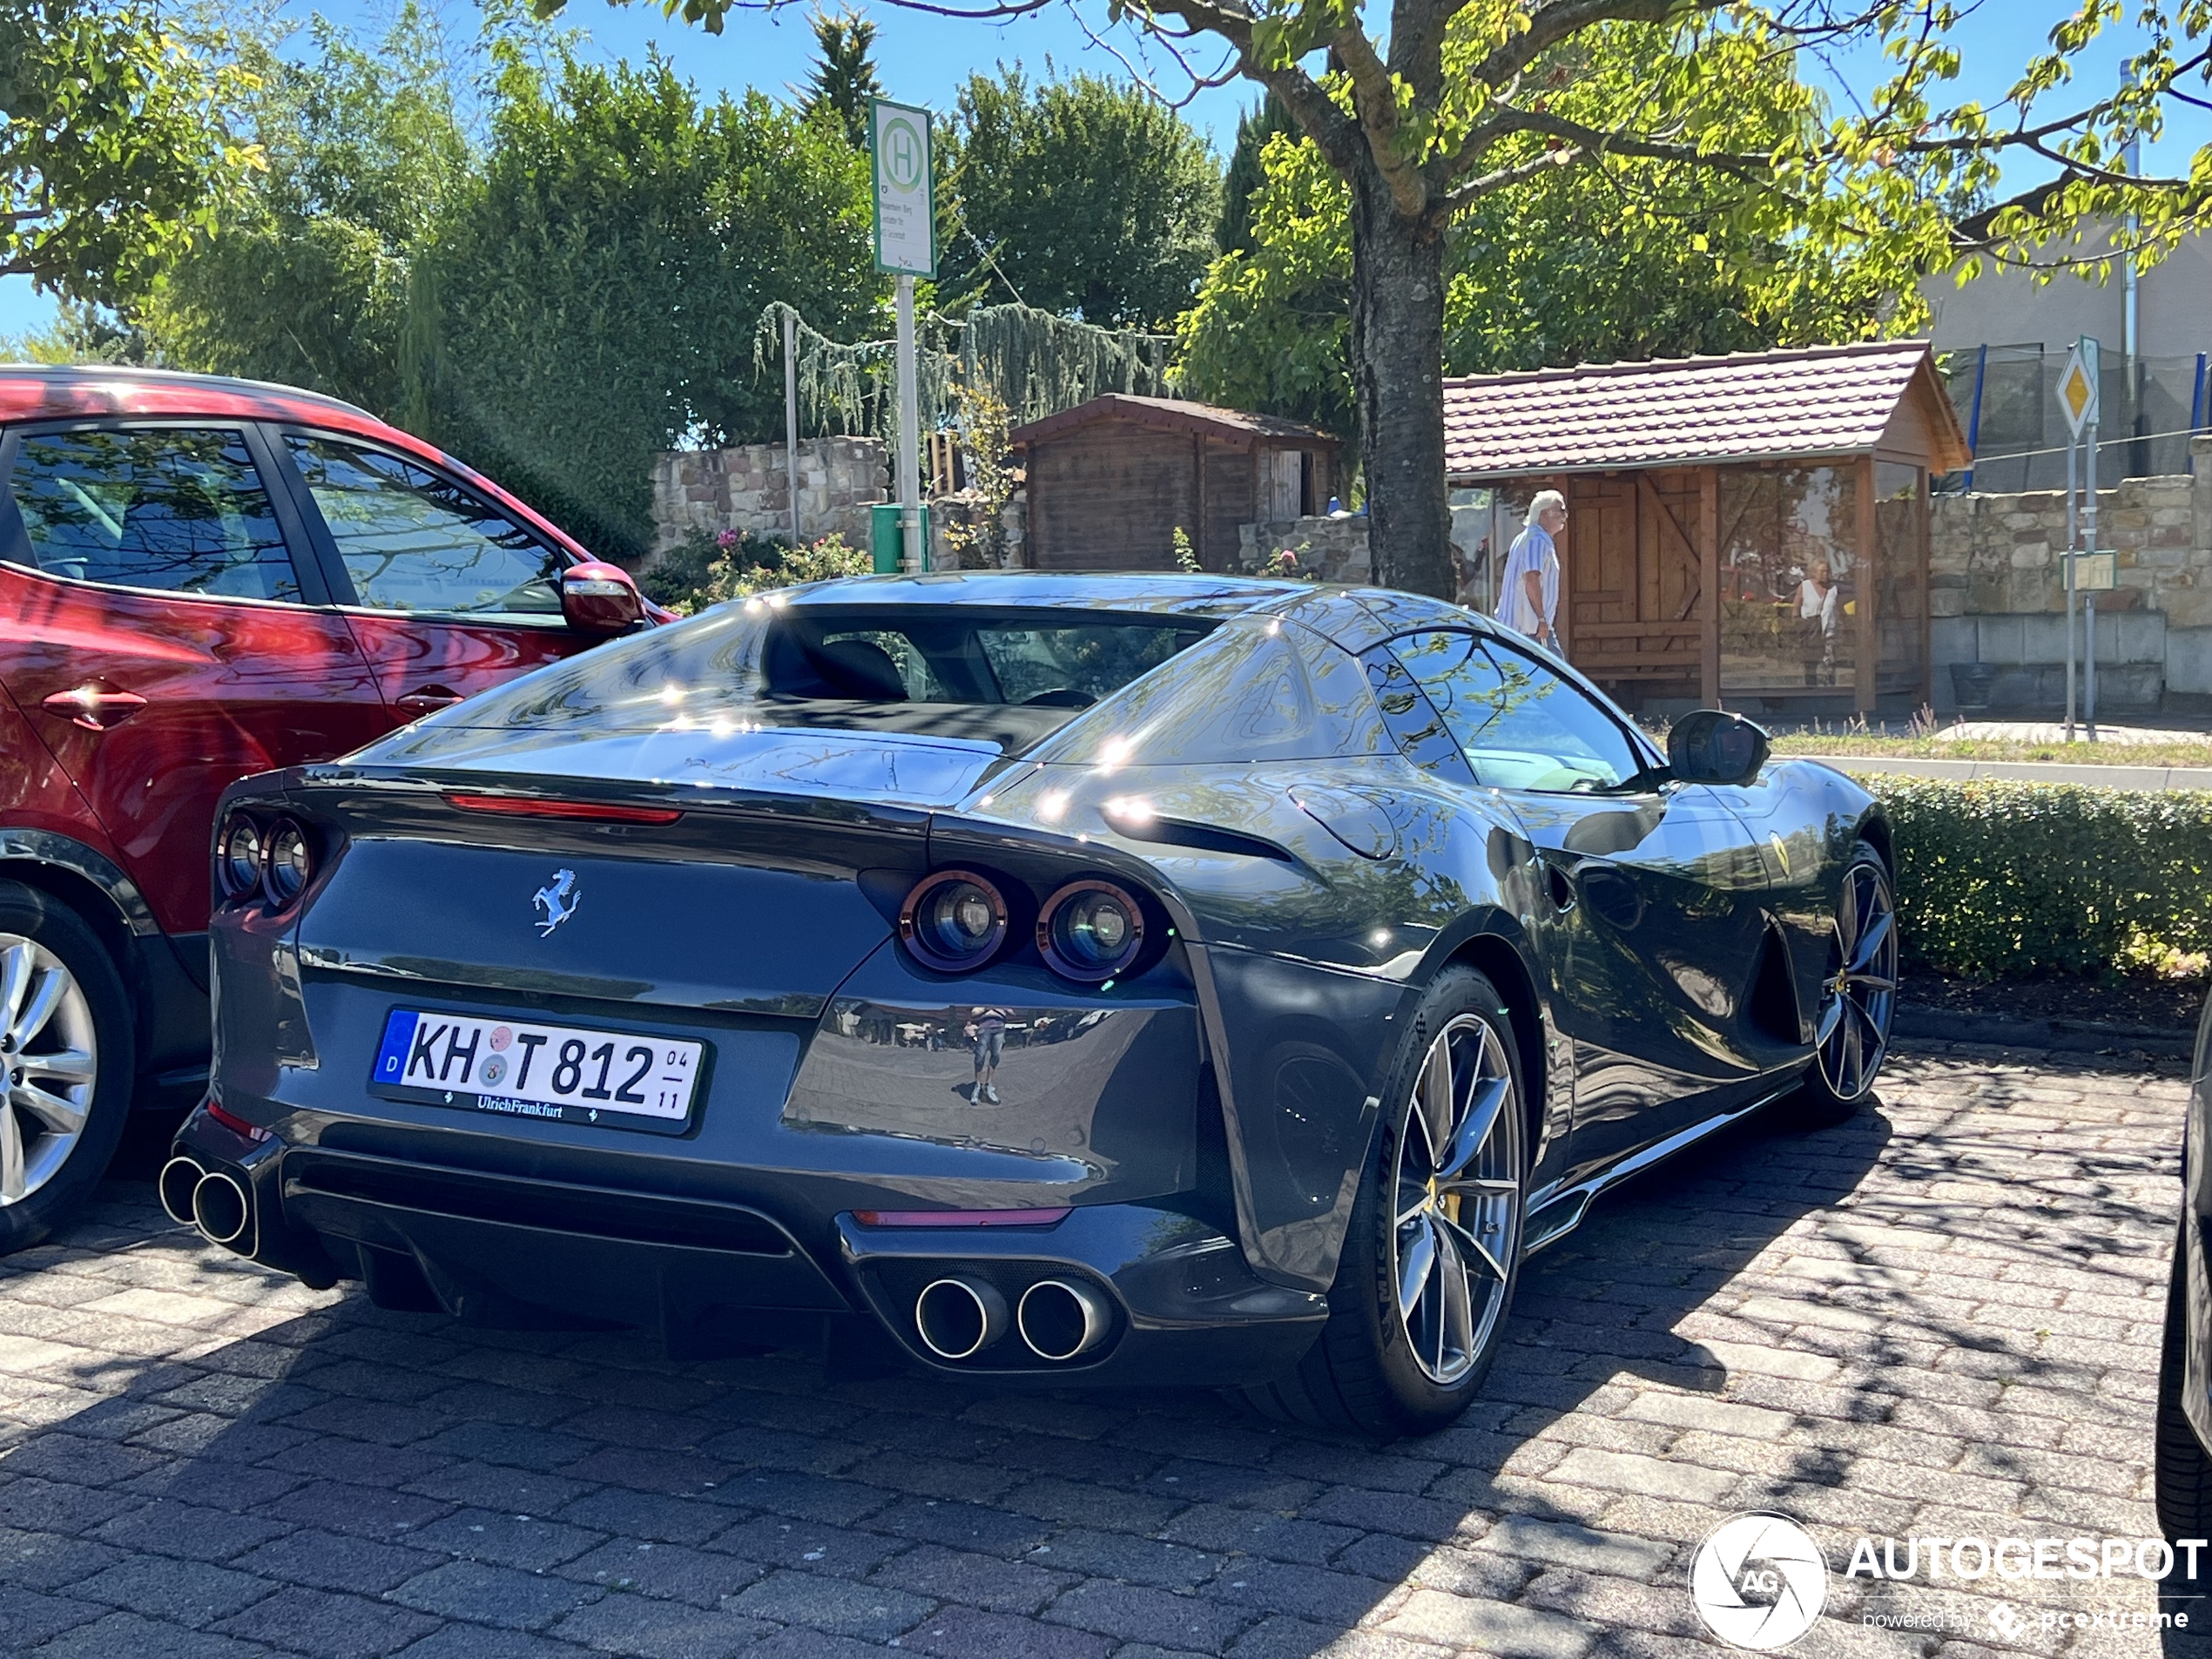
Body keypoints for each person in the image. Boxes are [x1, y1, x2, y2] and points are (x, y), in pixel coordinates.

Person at [1498, 491, 1564, 648]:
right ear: (1545, 513)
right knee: (1556, 671)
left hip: (1523, 628)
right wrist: (1541, 619)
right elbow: (1531, 578)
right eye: (1561, 510)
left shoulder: (1528, 537)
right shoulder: (1537, 539)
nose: (1565, 515)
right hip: (1528, 630)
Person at [1797, 559, 1838, 686]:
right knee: (1811, 659)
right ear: (1814, 572)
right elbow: (1796, 605)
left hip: (1825, 626)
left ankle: (1829, 684)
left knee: (1828, 657)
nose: (1825, 574)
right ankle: (1811, 685)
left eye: (1827, 571)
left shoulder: (1832, 589)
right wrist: (1797, 623)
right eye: (1822, 571)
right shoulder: (1805, 586)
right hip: (1809, 625)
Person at [966, 1006, 1009, 1103]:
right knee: (979, 1057)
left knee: (996, 1055)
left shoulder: (1001, 1000)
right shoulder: (982, 1001)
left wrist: (1002, 1008)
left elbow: (1011, 1012)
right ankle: (977, 1085)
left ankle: (988, 1084)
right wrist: (987, 1008)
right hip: (984, 1029)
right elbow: (973, 1014)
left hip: (1000, 1028)